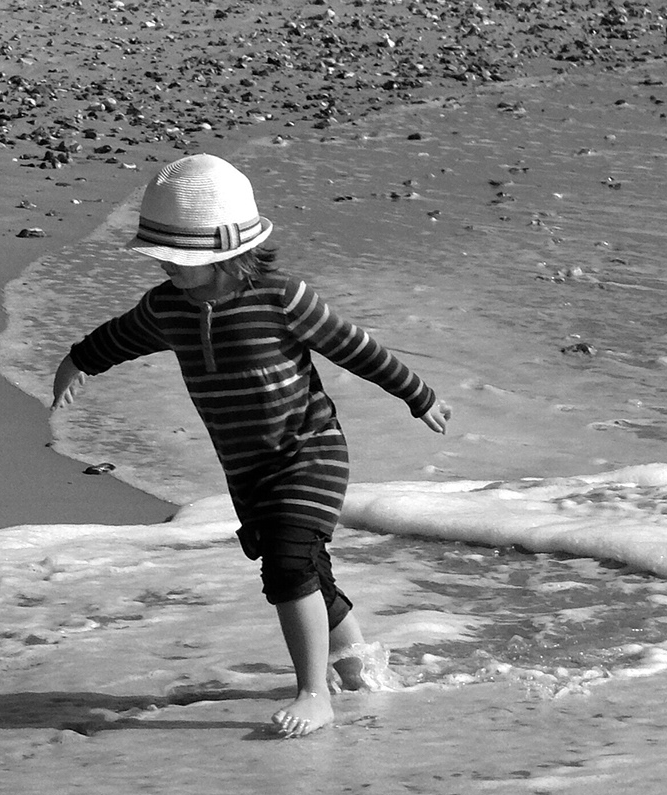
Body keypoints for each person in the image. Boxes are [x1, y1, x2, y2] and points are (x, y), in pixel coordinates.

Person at [52, 153, 451, 737]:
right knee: (305, 568)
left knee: (289, 566)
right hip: (249, 471)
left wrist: (419, 395)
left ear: (232, 252)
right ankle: (358, 667)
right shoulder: (168, 308)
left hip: (309, 452)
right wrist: (77, 360)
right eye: (162, 255)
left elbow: (357, 349)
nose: (166, 266)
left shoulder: (282, 297)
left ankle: (314, 693)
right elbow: (119, 337)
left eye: (180, 258)